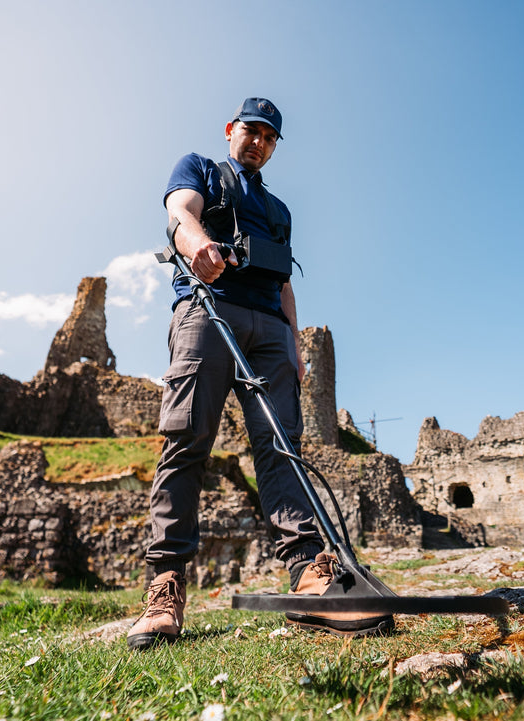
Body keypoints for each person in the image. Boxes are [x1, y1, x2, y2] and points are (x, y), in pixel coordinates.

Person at [127, 98, 393, 649]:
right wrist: (196, 242)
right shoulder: (199, 168)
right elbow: (181, 212)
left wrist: (293, 347)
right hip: (208, 309)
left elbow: (287, 283)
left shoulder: (279, 209)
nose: (258, 143)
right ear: (231, 130)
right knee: (187, 439)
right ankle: (165, 588)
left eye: (270, 138)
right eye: (251, 131)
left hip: (270, 327)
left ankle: (309, 577)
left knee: (282, 447)